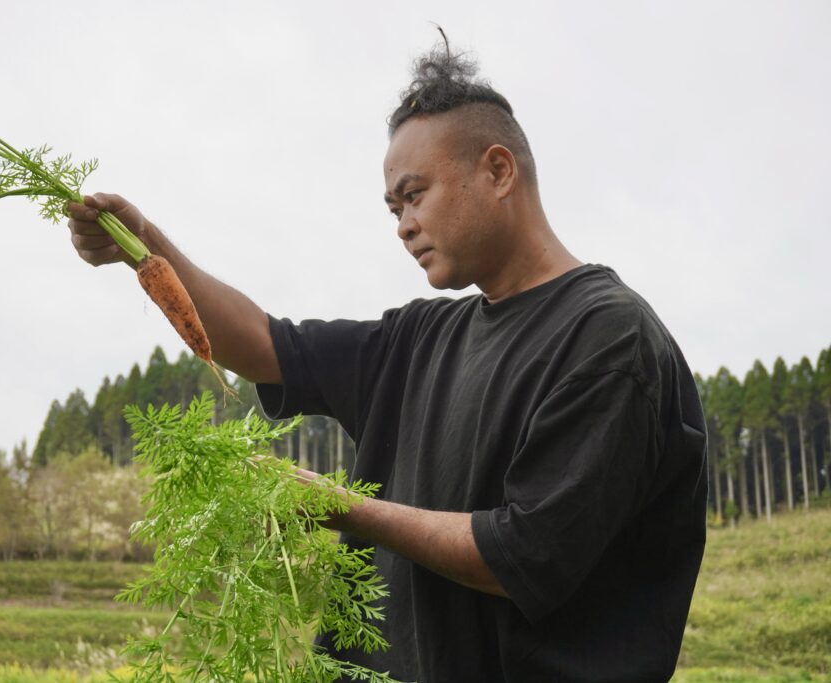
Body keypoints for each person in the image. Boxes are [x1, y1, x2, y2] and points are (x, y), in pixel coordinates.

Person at [68, 44, 708, 683]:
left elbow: (522, 555)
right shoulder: (419, 337)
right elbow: (262, 345)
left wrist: (344, 507)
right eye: (395, 209)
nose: (403, 225)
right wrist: (142, 248)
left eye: (415, 195)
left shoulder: (608, 340)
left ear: (498, 171)